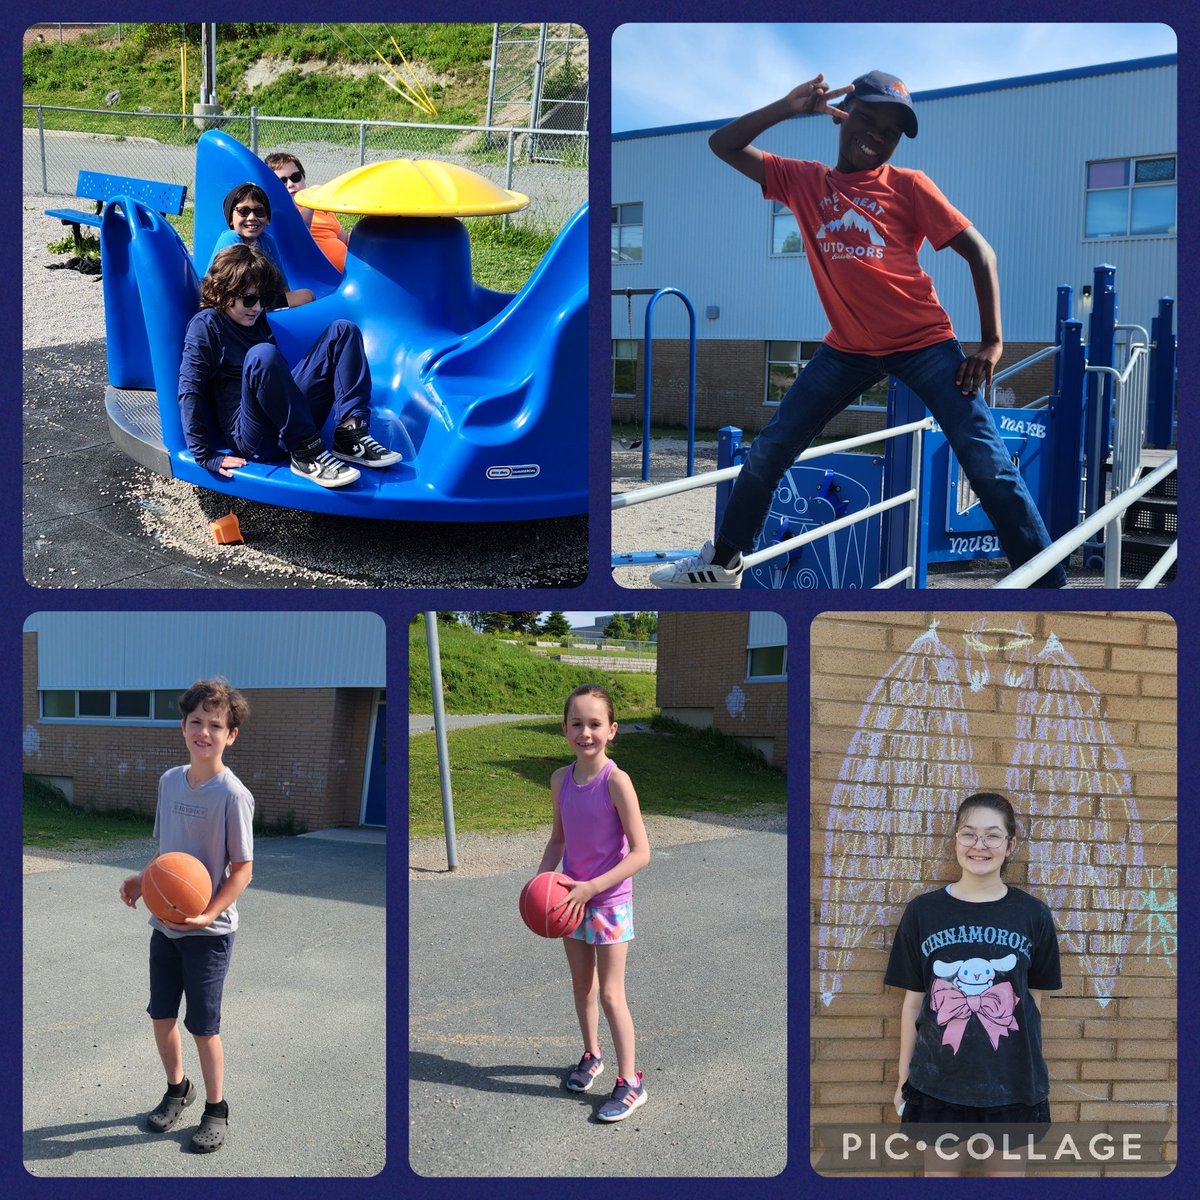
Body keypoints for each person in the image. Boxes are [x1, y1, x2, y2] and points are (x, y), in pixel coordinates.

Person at [651, 71, 1065, 589]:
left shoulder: (911, 187)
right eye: (868, 118)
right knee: (770, 449)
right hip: (847, 349)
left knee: (988, 463)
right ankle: (725, 560)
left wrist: (993, 341)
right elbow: (723, 144)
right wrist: (788, 106)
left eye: (891, 132)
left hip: (925, 344)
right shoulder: (803, 181)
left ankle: (1047, 585)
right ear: (845, 116)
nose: (877, 135)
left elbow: (981, 253)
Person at [884, 793, 1062, 1176]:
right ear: (955, 840)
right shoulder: (923, 912)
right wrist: (904, 1079)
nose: (979, 846)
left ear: (1010, 845)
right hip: (938, 1081)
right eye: (969, 834)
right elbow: (913, 1005)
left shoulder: (1033, 915)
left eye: (992, 836)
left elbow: (1033, 1004)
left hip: (1013, 1084)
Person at [118, 679, 255, 1154]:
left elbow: (242, 870)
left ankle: (216, 1108)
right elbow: (167, 853)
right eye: (196, 722)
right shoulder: (170, 781)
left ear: (230, 735)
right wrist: (143, 879)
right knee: (161, 1015)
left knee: (203, 1025)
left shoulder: (232, 795)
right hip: (166, 925)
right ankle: (178, 1089)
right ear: (182, 727)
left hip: (209, 933)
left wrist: (209, 912)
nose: (204, 732)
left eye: (215, 725)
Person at [179, 242, 402, 488]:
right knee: (263, 355)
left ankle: (350, 435)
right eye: (250, 299)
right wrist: (204, 455)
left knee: (343, 330)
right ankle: (306, 453)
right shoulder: (206, 325)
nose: (257, 307)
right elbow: (190, 389)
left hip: (289, 422)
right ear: (223, 292)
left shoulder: (255, 315)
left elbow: (283, 303)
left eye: (262, 299)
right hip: (254, 437)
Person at [536, 684, 651, 1122]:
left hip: (609, 902)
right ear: (565, 729)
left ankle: (630, 1082)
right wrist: (543, 882)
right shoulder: (560, 780)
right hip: (571, 901)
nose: (586, 732)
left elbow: (641, 852)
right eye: (577, 724)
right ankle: (592, 1056)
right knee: (581, 987)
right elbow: (558, 840)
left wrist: (592, 887)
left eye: (595, 724)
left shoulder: (616, 781)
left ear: (612, 730)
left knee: (609, 993)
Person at [206, 182, 314, 308]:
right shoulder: (231, 239)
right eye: (243, 211)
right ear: (231, 218)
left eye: (259, 211)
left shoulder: (267, 241)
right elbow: (227, 290)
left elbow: (282, 285)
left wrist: (288, 311)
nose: (251, 217)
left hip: (260, 301)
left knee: (306, 295)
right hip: (233, 304)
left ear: (267, 218)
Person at [265, 152, 350, 272]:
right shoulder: (277, 213)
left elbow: (346, 240)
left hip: (350, 272)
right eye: (282, 181)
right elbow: (299, 235)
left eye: (295, 177)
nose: (290, 184)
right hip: (319, 280)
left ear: (303, 178)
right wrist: (311, 204)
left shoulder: (320, 208)